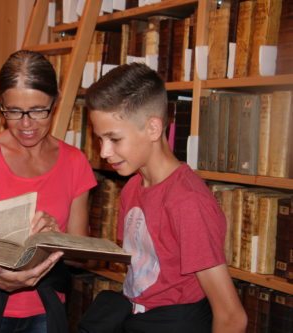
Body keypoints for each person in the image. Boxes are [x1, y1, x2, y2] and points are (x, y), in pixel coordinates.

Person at [79, 63, 247, 332]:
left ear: (153, 129)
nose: (104, 152)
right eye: (100, 139)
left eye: (114, 139)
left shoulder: (187, 202)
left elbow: (231, 317)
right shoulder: (133, 187)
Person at [0, 49, 97, 333]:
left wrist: (54, 238)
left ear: (55, 102)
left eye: (38, 111)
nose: (26, 124)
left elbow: (83, 256)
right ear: (0, 104)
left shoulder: (75, 161)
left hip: (45, 310)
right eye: (14, 111)